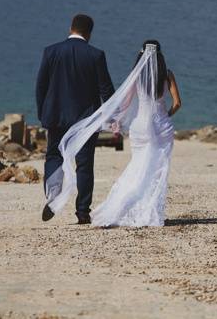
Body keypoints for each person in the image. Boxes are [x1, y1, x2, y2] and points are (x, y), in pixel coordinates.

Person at [44, 40, 182, 228]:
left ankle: (122, 206)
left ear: (141, 55)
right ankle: (150, 210)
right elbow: (177, 103)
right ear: (161, 56)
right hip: (161, 126)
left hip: (140, 126)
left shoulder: (137, 76)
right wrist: (166, 115)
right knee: (157, 170)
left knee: (137, 165)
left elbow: (125, 102)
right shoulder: (167, 75)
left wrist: (115, 119)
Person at [36, 14, 115, 224]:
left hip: (55, 116)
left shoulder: (51, 51)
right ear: (89, 33)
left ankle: (53, 197)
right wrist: (113, 117)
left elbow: (41, 86)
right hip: (86, 120)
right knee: (84, 164)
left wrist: (42, 114)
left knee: (54, 156)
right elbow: (106, 90)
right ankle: (82, 212)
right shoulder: (96, 55)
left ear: (70, 27)